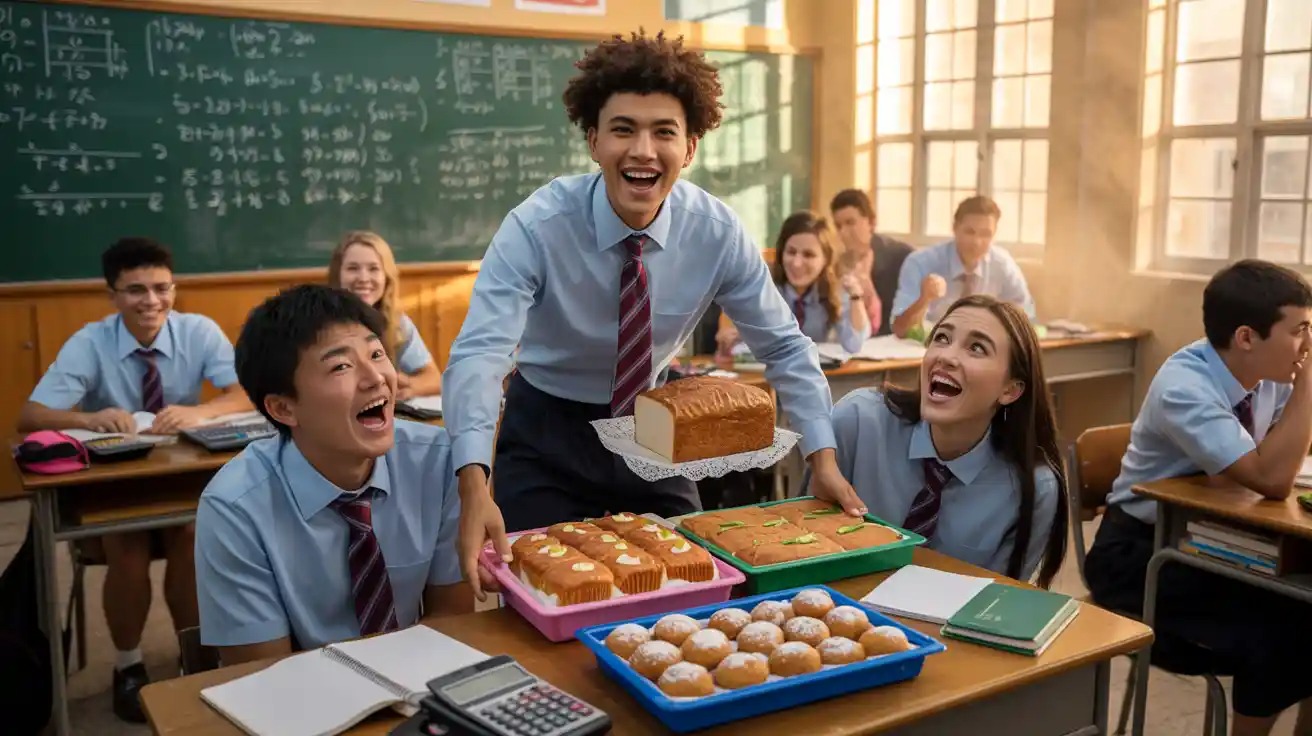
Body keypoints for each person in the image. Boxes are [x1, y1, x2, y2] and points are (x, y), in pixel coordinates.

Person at [442, 30, 862, 600]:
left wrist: (823, 456)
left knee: (697, 591)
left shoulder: (716, 232)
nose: (643, 149)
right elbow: (480, 354)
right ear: (593, 140)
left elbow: (785, 347)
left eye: (663, 132)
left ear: (689, 148)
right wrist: (473, 484)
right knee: (540, 601)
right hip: (545, 436)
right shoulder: (535, 227)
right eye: (623, 129)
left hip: (654, 435)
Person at [17, 236, 250, 722]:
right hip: (115, 485)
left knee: (191, 533)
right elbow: (32, 414)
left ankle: (195, 659)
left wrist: (197, 411)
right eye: (135, 290)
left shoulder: (198, 330)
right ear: (113, 296)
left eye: (162, 288)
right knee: (126, 543)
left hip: (175, 474)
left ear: (174, 288)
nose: (151, 301)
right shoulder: (90, 340)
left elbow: (244, 394)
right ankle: (127, 666)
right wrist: (91, 418)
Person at [1085, 260, 1312, 736]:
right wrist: (1310, 390)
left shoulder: (1269, 372)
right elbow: (1270, 478)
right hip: (1143, 557)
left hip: (1219, 534)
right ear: (1247, 337)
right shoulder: (1183, 386)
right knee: (1286, 624)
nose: (1308, 345)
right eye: (1300, 331)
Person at [194, 285, 467, 666]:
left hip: (417, 682)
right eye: (341, 366)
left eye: (377, 353)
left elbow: (454, 617)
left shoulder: (437, 463)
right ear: (284, 408)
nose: (377, 378)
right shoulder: (234, 508)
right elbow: (262, 673)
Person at [815, 295, 1067, 585]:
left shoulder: (1034, 488)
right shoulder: (857, 421)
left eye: (976, 348)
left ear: (1010, 390)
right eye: (942, 338)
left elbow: (1000, 601)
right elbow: (798, 541)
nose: (946, 357)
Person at [715, 211, 871, 357]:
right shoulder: (758, 283)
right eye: (791, 252)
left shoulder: (834, 289)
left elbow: (854, 344)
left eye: (808, 255)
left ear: (826, 260)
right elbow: (728, 346)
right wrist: (727, 340)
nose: (796, 263)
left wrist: (856, 297)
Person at [889, 196, 1035, 339]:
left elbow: (1027, 318)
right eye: (970, 232)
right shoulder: (920, 262)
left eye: (986, 234)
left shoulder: (1003, 264)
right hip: (930, 350)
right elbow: (900, 329)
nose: (977, 242)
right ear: (955, 228)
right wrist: (924, 299)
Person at [328, 231, 441, 399]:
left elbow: (434, 379)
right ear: (338, 275)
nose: (363, 278)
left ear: (386, 277)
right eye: (353, 268)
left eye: (373, 269)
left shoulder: (397, 324)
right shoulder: (319, 324)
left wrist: (408, 386)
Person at [829, 189, 912, 337]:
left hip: (892, 342)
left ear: (871, 222)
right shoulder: (834, 263)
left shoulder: (901, 257)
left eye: (850, 223)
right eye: (838, 226)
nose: (843, 233)